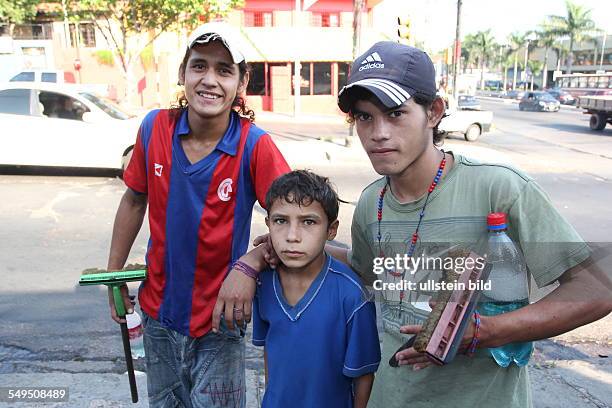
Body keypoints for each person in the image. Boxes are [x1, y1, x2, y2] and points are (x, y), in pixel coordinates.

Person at [321, 41, 610, 408]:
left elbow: (597, 289)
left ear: (434, 112)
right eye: (364, 117)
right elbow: (367, 271)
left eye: (395, 113)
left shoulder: (499, 188)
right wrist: (284, 249)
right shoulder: (370, 202)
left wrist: (484, 332)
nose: (378, 132)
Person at [106, 22, 290, 407]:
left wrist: (250, 263)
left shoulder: (254, 145)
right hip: (158, 313)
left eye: (224, 70)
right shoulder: (154, 128)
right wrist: (114, 276)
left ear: (241, 83)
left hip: (222, 319)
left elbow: (295, 219)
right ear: (182, 74)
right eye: (199, 66)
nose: (209, 80)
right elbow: (134, 199)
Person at [251, 170, 380, 408]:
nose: (292, 236)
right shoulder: (263, 283)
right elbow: (270, 350)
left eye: (308, 222)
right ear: (268, 223)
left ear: (331, 230)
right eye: (281, 221)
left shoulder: (352, 296)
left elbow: (363, 375)